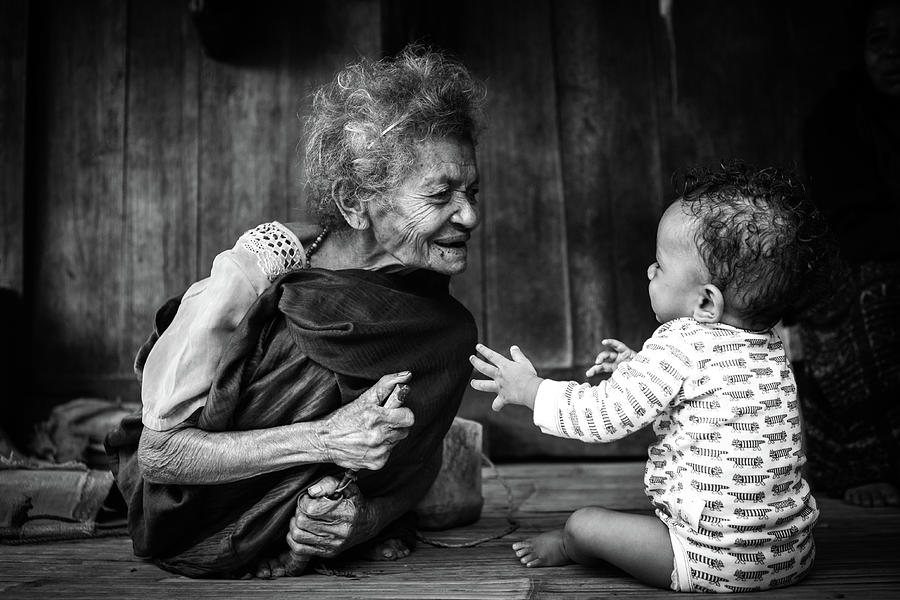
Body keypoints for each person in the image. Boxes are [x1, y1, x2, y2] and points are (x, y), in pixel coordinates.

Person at [105, 45, 484, 578]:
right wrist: (326, 437)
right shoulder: (252, 276)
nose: (468, 214)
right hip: (195, 510)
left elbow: (413, 461)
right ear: (354, 202)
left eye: (470, 191)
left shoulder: (436, 322)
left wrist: (365, 517)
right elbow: (160, 457)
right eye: (440, 194)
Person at [470, 163, 828, 592]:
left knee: (584, 523)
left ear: (706, 302)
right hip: (793, 554)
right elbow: (712, 391)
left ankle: (571, 547)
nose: (649, 272)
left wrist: (530, 390)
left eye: (659, 265)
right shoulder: (771, 345)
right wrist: (639, 366)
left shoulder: (679, 342)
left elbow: (604, 416)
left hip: (711, 562)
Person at [798, 0, 900, 508]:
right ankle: (866, 462)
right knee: (874, 291)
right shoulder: (837, 121)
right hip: (859, 266)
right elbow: (849, 224)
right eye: (880, 41)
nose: (894, 54)